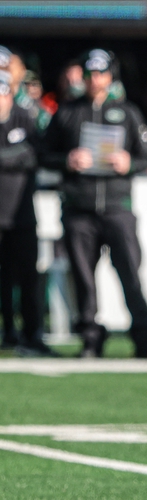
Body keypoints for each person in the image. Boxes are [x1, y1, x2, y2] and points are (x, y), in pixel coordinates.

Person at [40, 49, 147, 359]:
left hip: (117, 207)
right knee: (83, 279)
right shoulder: (67, 112)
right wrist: (67, 160)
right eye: (90, 74)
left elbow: (146, 157)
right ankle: (90, 339)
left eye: (101, 74)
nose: (96, 80)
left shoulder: (128, 112)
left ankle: (144, 340)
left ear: (111, 77)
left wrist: (128, 162)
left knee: (130, 275)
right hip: (79, 208)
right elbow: (43, 153)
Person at [0, 71, 49, 355]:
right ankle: (7, 332)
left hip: (21, 216)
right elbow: (22, 156)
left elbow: (34, 154)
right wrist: (15, 156)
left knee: (29, 278)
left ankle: (33, 335)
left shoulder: (25, 118)